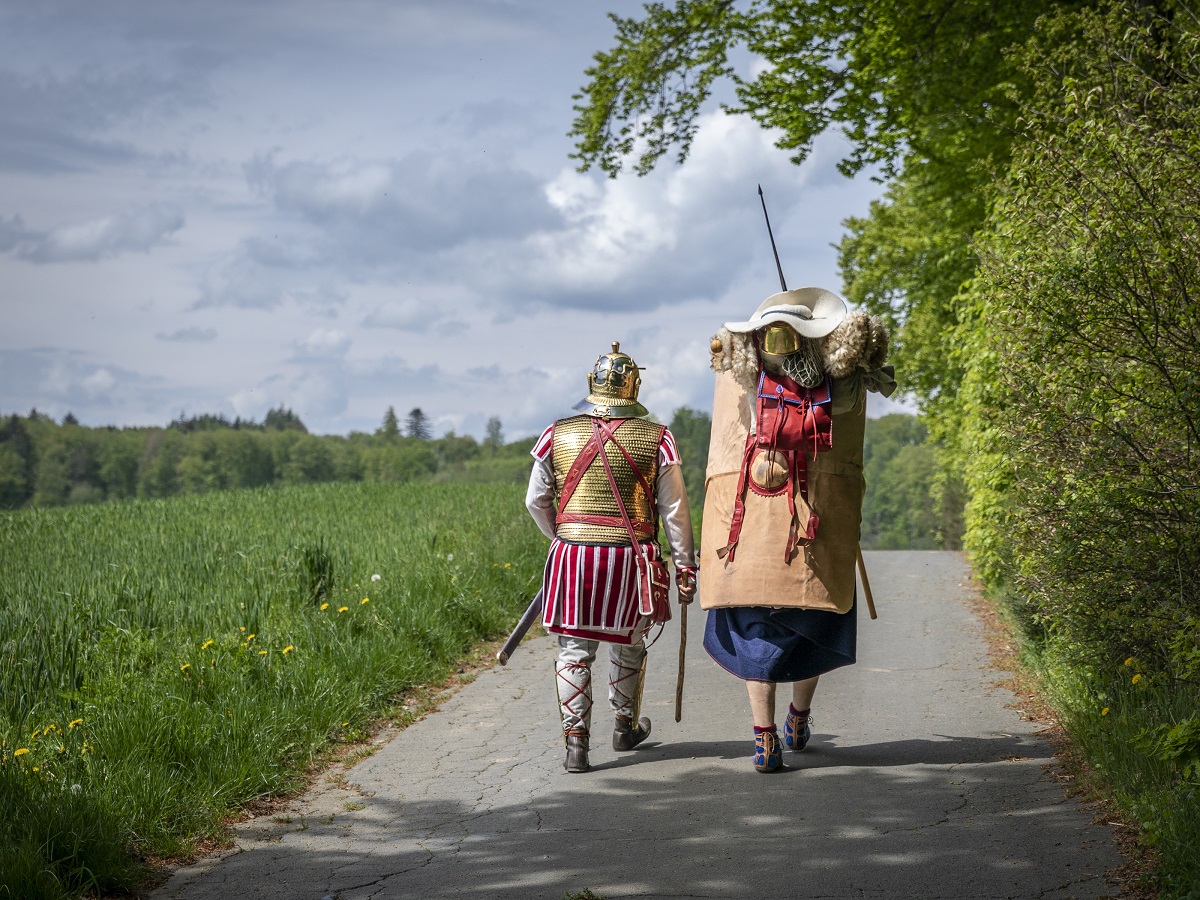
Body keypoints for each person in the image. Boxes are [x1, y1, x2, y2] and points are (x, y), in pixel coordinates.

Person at [699, 287, 895, 772]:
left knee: (755, 627)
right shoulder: (841, 386)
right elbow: (873, 373)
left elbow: (725, 358)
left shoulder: (738, 381)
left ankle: (764, 737)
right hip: (814, 531)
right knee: (812, 620)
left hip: (748, 540)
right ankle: (798, 717)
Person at [526, 342, 698, 773]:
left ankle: (576, 745)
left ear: (592, 383)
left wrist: (564, 536)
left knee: (573, 650)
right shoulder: (658, 438)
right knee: (629, 641)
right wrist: (684, 567)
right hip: (629, 560)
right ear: (633, 387)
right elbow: (674, 510)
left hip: (570, 556)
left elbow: (535, 500)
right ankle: (624, 727)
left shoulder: (556, 434)